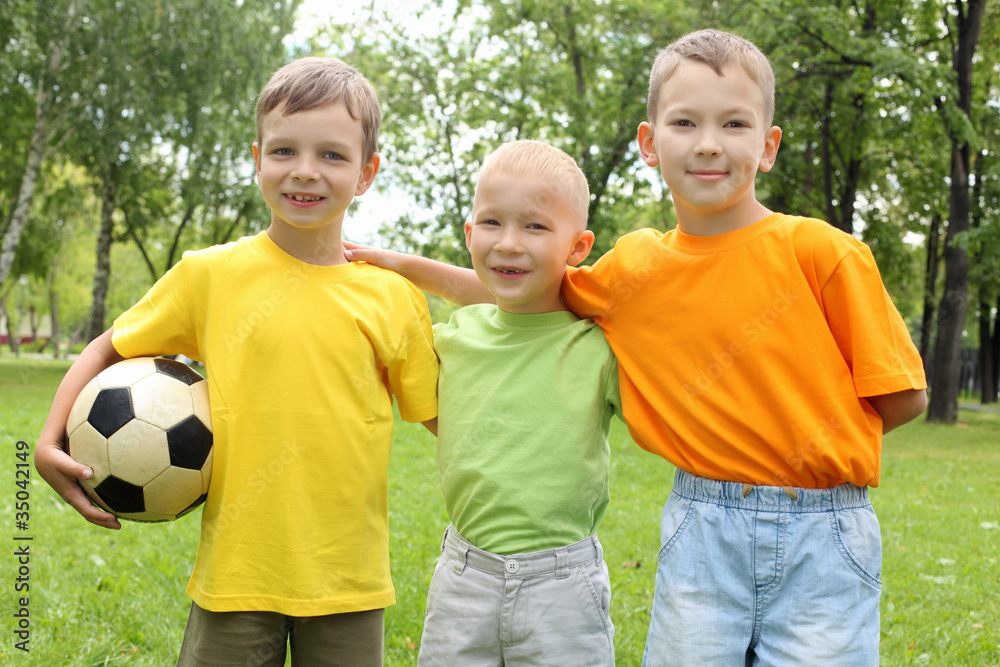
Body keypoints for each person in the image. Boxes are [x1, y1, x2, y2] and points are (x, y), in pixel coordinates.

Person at [346, 29, 928, 665]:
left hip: (826, 529)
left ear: (767, 146)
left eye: (734, 124)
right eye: (685, 122)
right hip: (702, 521)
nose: (709, 143)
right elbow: (525, 291)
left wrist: (788, 440)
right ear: (651, 144)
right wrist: (403, 264)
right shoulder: (635, 267)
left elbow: (902, 398)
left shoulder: (823, 252)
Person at [34, 56, 440, 667]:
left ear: (367, 173)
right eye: (284, 152)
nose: (305, 172)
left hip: (348, 579)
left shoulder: (391, 296)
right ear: (256, 160)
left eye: (332, 155)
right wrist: (48, 439)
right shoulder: (209, 276)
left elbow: (443, 419)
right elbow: (106, 347)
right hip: (235, 575)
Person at [353, 139, 621, 665]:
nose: (510, 244)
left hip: (563, 584)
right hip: (464, 576)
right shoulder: (456, 336)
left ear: (578, 247)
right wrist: (398, 265)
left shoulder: (597, 346)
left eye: (536, 226)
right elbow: (480, 299)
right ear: (471, 233)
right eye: (492, 224)